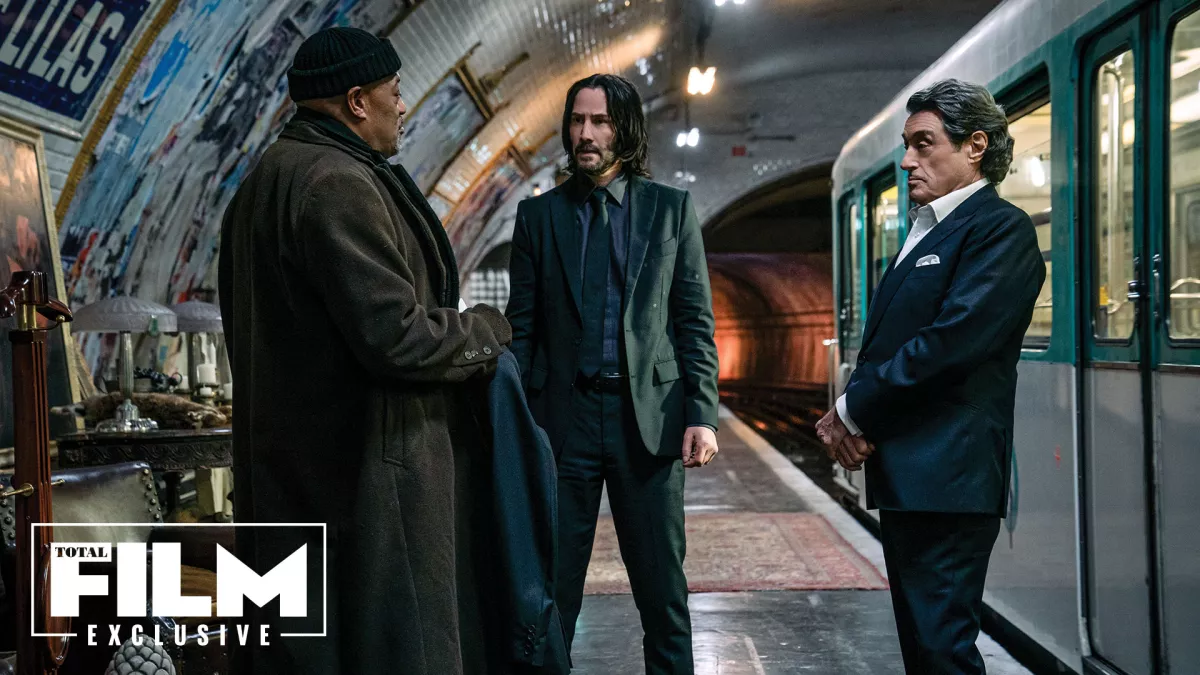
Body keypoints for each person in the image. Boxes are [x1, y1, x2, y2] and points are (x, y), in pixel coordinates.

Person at [217, 26, 511, 675]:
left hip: (293, 475)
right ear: (356, 101)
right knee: (395, 650)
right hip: (368, 482)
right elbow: (396, 337)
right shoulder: (335, 184)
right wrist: (487, 330)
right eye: (394, 92)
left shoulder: (261, 184)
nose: (402, 106)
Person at [816, 78, 1045, 674]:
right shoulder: (928, 230)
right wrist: (858, 416)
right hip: (914, 474)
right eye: (906, 145)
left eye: (924, 143)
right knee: (924, 648)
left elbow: (949, 344)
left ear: (975, 146)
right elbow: (895, 344)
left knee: (943, 649)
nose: (908, 160)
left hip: (949, 475)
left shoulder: (1001, 230)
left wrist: (851, 409)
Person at [505, 73, 721, 675]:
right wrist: (516, 423)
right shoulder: (537, 217)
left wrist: (702, 415)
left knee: (662, 593)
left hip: (646, 423)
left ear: (625, 129)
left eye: (599, 122)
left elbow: (693, 322)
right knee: (550, 593)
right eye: (577, 121)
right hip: (562, 424)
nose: (586, 133)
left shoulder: (671, 210)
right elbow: (521, 330)